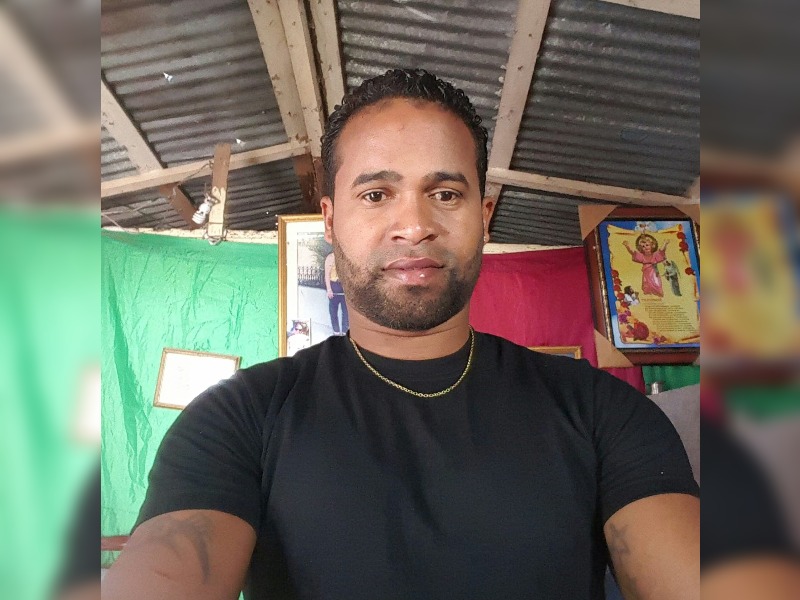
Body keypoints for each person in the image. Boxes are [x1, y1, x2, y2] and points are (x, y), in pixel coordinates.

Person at [104, 69, 699, 599]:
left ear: (484, 217)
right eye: (376, 194)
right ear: (331, 219)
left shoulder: (601, 411)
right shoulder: (238, 418)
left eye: (445, 194)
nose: (414, 226)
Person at [324, 251, 349, 335]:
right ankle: (336, 332)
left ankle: (345, 332)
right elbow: (327, 275)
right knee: (333, 311)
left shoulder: (345, 257)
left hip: (344, 286)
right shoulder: (330, 258)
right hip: (334, 286)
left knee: (346, 312)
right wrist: (329, 289)